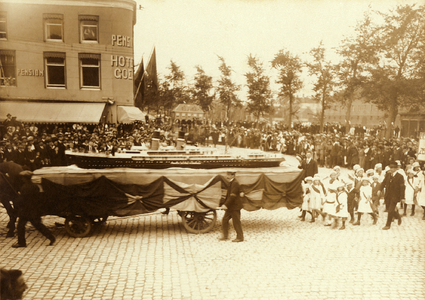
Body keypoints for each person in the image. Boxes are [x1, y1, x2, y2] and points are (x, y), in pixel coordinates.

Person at [12, 170, 55, 248]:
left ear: (25, 178)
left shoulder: (24, 187)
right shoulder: (35, 186)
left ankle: (21, 243)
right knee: (38, 225)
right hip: (34, 210)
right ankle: (51, 237)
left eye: (22, 178)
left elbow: (22, 199)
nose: (22, 179)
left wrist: (17, 201)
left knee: (20, 226)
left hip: (26, 211)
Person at [218, 170, 244, 242]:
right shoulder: (232, 182)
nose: (227, 176)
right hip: (231, 207)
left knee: (236, 222)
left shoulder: (235, 183)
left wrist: (225, 204)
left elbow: (232, 195)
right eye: (227, 174)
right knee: (225, 220)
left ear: (233, 175)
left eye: (228, 175)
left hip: (235, 207)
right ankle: (225, 236)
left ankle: (240, 237)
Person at [380, 162, 405, 230]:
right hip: (388, 195)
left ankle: (388, 225)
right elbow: (383, 183)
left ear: (396, 168)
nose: (391, 169)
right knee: (388, 209)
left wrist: (402, 197)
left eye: (393, 168)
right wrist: (380, 190)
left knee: (390, 210)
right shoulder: (388, 175)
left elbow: (402, 188)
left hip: (395, 196)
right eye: (391, 167)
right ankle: (398, 216)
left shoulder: (400, 176)